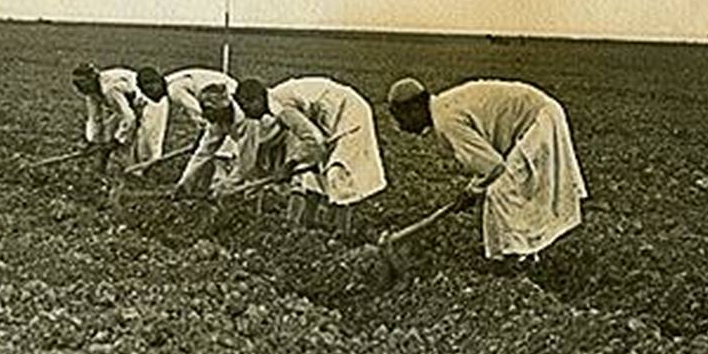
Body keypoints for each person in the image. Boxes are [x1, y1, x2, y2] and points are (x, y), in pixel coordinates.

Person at [386, 77, 587, 263]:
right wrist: (472, 188)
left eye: (400, 118)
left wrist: (472, 192)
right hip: (540, 113)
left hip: (539, 120)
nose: (401, 126)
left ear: (414, 108)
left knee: (502, 192)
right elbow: (487, 164)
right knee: (507, 189)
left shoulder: (446, 120)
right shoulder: (444, 108)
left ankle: (512, 259)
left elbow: (494, 167)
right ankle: (523, 254)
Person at [233, 76, 387, 233]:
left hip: (348, 115)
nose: (247, 115)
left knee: (338, 174)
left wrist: (289, 165)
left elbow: (313, 140)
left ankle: (342, 234)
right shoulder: (275, 103)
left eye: (246, 108)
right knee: (313, 175)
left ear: (256, 100)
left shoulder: (281, 107)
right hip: (328, 122)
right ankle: (308, 225)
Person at [171, 81, 283, 198]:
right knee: (249, 190)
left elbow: (246, 165)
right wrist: (183, 183)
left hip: (278, 140)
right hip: (259, 145)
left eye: (208, 109)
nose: (204, 115)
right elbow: (203, 153)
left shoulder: (248, 120)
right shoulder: (218, 122)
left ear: (221, 108)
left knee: (269, 184)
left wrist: (223, 187)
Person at [71, 62, 168, 184]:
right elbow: (95, 118)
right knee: (111, 133)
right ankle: (131, 173)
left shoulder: (110, 88)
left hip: (151, 101)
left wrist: (117, 140)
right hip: (130, 106)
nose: (78, 88)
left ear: (91, 79)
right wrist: (93, 141)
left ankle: (151, 175)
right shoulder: (91, 93)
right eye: (76, 84)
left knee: (147, 142)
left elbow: (129, 117)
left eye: (81, 83)